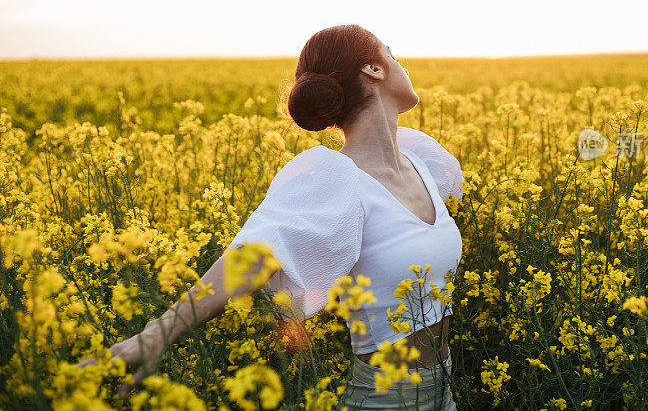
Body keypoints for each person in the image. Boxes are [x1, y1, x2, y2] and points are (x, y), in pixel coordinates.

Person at [75, 24, 464, 410]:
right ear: (374, 70)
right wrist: (156, 335)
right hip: (386, 398)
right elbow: (252, 257)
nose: (403, 65)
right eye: (391, 54)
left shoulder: (422, 159)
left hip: (444, 384)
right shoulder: (338, 179)